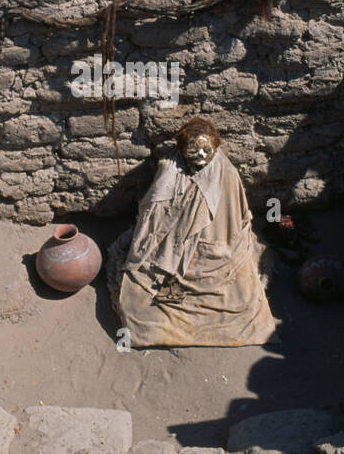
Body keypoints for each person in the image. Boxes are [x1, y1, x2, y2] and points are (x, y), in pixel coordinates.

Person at [112, 117, 277, 348]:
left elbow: (235, 211)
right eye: (193, 150)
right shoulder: (168, 169)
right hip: (171, 246)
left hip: (216, 243)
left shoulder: (226, 173)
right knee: (140, 302)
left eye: (206, 150)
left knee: (238, 290)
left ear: (216, 148)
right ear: (181, 149)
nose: (200, 156)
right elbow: (153, 212)